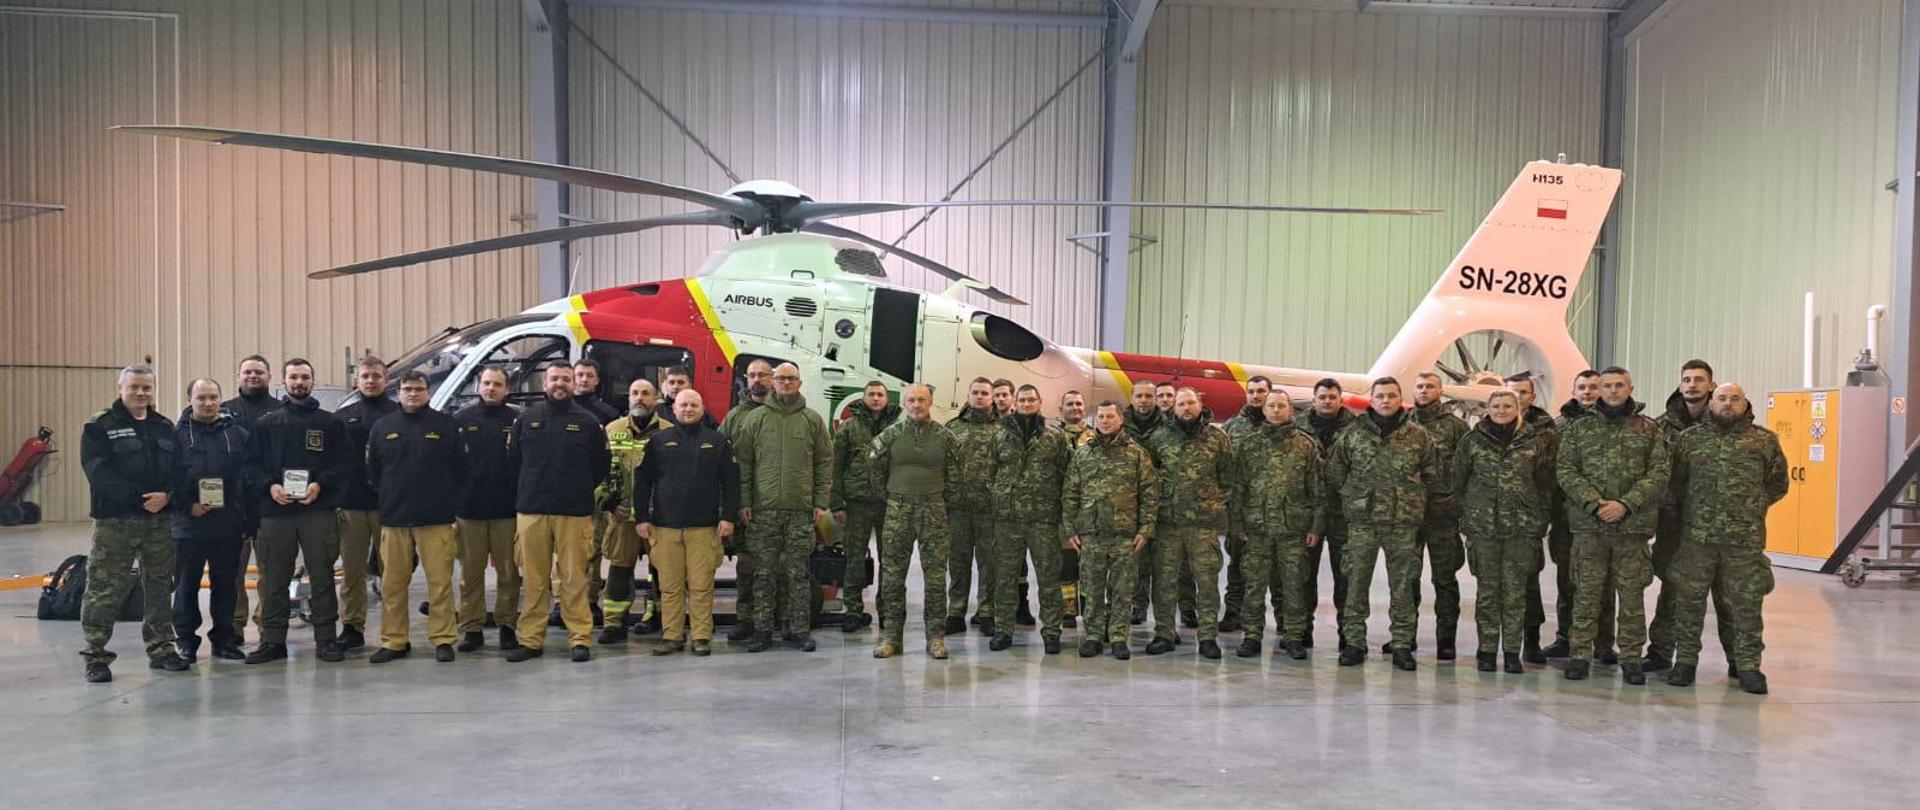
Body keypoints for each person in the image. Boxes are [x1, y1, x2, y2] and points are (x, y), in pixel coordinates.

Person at [1666, 383, 1788, 694]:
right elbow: (1675, 484)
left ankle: (1747, 666)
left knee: (1745, 605)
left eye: (1735, 399)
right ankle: (1686, 662)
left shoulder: (1763, 441)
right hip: (1697, 538)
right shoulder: (1689, 440)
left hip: (1743, 540)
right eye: (1722, 399)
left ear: (1745, 403)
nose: (1728, 404)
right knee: (1689, 603)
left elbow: (1777, 484)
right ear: (1711, 403)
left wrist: (1752, 506)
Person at [1556, 366, 1669, 684]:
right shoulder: (1579, 429)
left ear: (1630, 387)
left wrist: (1625, 504)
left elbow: (1659, 473)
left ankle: (1631, 657)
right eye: (1607, 386)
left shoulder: (1649, 429)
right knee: (1586, 595)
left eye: (1620, 385)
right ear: (1599, 389)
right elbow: (1565, 470)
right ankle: (1580, 655)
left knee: (1632, 597)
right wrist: (1596, 503)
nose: (1613, 391)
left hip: (1632, 529)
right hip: (1590, 527)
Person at [78, 365, 188, 682]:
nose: (141, 393)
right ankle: (96, 655)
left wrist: (168, 496)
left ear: (153, 390)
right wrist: (140, 500)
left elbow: (179, 470)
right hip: (116, 522)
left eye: (146, 388)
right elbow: (98, 473)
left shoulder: (164, 426)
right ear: (120, 388)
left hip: (160, 522)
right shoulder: (100, 426)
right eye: (134, 387)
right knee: (104, 588)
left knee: (158, 587)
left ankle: (162, 649)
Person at [1328, 377, 1443, 670]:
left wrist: (1412, 500)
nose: (1386, 401)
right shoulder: (1352, 434)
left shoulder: (1418, 435)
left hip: (1402, 523)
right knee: (1355, 583)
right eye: (1380, 396)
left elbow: (1432, 474)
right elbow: (1336, 472)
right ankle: (1354, 642)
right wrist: (1356, 497)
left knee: (1403, 586)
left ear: (1399, 398)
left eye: (1392, 395)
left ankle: (1403, 644)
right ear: (1372, 399)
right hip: (1362, 522)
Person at [246, 358, 351, 665]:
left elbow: (343, 465)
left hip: (317, 510)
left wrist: (320, 485)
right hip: (275, 513)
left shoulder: (330, 423)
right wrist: (270, 487)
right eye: (293, 377)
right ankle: (273, 640)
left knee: (321, 576)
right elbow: (250, 466)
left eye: (304, 377)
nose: (299, 382)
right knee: (274, 577)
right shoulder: (266, 424)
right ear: (284, 381)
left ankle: (326, 639)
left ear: (312, 381)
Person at [505, 364, 610, 663]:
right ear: (545, 382)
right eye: (555, 379)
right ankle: (531, 639)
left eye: (566, 379)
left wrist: (577, 490)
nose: (560, 384)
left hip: (573, 511)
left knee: (574, 578)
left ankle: (579, 638)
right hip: (532, 510)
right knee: (535, 579)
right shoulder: (526, 419)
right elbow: (514, 463)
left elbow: (600, 466)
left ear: (573, 384)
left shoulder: (588, 422)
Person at [364, 371, 469, 662]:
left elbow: (461, 471)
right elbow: (373, 472)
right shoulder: (383, 427)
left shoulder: (446, 426)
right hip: (395, 518)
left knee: (440, 582)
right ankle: (394, 641)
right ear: (398, 392)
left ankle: (444, 638)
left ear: (428, 392)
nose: (413, 394)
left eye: (419, 389)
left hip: (436, 519)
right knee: (393, 584)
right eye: (408, 389)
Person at [1452, 388, 1556, 674]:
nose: (1501, 410)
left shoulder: (1535, 442)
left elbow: (1547, 482)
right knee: (1487, 592)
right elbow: (1458, 481)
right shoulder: (1472, 441)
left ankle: (1511, 650)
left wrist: (1538, 516)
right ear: (1487, 408)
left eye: (1507, 405)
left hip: (1521, 530)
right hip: (1483, 529)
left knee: (1515, 593)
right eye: (1496, 405)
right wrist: (1471, 514)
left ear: (1518, 407)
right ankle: (1487, 649)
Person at [731, 362, 833, 653]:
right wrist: (745, 501)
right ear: (773, 383)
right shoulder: (756, 419)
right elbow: (745, 463)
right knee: (763, 573)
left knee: (798, 573)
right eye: (781, 379)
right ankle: (763, 630)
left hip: (801, 511)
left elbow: (825, 463)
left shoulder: (812, 420)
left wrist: (819, 502)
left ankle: (798, 629)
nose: (786, 383)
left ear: (800, 384)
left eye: (791, 379)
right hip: (763, 511)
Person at [634, 389, 740, 657]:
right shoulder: (658, 441)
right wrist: (642, 519)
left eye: (693, 405)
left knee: (701, 585)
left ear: (702, 409)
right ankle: (672, 635)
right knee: (670, 586)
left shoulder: (717, 442)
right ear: (674, 408)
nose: (688, 409)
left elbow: (730, 482)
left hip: (704, 527)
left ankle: (701, 636)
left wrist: (728, 516)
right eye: (683, 405)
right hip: (665, 527)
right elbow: (643, 481)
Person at [1647, 359, 1730, 672]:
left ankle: (1739, 660)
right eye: (1687, 379)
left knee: (1728, 597)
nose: (1692, 385)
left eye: (1699, 379)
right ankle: (1659, 653)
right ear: (1680, 385)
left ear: (1711, 385)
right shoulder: (1659, 427)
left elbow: (1769, 482)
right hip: (1674, 525)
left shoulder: (1727, 423)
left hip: (1718, 528)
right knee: (1670, 590)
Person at [1227, 393, 1324, 660]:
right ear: (1264, 410)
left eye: (1282, 405)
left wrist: (1315, 527)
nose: (1276, 410)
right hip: (1256, 530)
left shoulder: (1305, 445)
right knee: (1254, 586)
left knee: (1293, 586)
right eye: (1271, 406)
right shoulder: (1249, 445)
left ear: (1290, 410)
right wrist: (1237, 525)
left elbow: (1317, 490)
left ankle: (1292, 637)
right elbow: (1238, 489)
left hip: (1293, 530)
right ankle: (1252, 636)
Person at [870, 383, 960, 659]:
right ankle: (891, 637)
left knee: (935, 577)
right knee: (893, 576)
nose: (916, 405)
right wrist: (889, 496)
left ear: (930, 401)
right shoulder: (891, 435)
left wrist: (944, 501)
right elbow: (874, 468)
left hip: (933, 509)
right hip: (898, 509)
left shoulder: (945, 437)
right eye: (911, 400)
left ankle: (935, 638)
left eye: (921, 399)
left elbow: (956, 474)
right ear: (904, 403)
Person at [170, 378, 257, 664]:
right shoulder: (175, 437)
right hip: (188, 525)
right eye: (201, 398)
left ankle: (224, 640)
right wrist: (187, 505)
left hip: (227, 525)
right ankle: (185, 641)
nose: (208, 403)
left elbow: (246, 479)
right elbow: (167, 478)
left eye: (213, 397)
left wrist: (244, 517)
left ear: (221, 399)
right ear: (189, 400)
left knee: (226, 584)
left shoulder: (238, 435)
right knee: (186, 586)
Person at [1063, 401, 1158, 660]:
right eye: (1101, 416)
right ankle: (1093, 636)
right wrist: (1071, 528)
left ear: (1120, 420)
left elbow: (1149, 493)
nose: (1104, 421)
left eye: (1110, 416)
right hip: (1090, 534)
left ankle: (1118, 637)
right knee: (1092, 589)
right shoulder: (1083, 455)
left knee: (1122, 590)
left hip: (1125, 535)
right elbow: (1071, 493)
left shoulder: (1136, 454)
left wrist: (1146, 528)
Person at [1142, 388, 1232, 659]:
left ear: (1200, 404)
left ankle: (1207, 637)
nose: (1186, 408)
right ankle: (1164, 633)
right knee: (1164, 582)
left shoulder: (1217, 438)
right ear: (1173, 408)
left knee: (1206, 583)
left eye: (1191, 402)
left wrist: (1213, 504)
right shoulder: (1158, 439)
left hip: (1203, 527)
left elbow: (1228, 478)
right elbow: (1148, 479)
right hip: (1168, 525)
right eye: (1181, 403)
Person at [1532, 369, 1614, 662]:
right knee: (1568, 582)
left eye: (1594, 387)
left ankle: (1604, 643)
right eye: (1582, 387)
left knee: (1604, 583)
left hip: (1604, 518)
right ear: (1574, 390)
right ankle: (1565, 639)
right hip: (1567, 520)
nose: (1589, 392)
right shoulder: (1559, 428)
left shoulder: (1617, 425)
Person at [987, 384, 1073, 653]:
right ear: (1015, 402)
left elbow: (1066, 474)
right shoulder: (1000, 434)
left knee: (1048, 578)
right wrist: (1001, 499)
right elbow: (990, 472)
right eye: (1022, 400)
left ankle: (1051, 631)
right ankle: (1003, 630)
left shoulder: (1055, 436)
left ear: (1040, 401)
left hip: (1043, 519)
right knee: (1005, 578)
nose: (1026, 404)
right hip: (1008, 519)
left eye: (1031, 399)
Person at [453, 367, 522, 652]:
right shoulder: (461, 419)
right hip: (470, 511)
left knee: (509, 573)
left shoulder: (518, 419)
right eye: (486, 383)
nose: (491, 388)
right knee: (471, 574)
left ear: (507, 389)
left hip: (507, 510)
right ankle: (472, 628)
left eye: (497, 384)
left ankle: (507, 626)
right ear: (478, 386)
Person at [596, 378, 669, 644]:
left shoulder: (669, 432)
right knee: (619, 569)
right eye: (635, 393)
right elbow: (599, 472)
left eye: (646, 393)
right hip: (622, 517)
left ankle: (659, 618)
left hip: (658, 518)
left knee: (660, 569)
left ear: (656, 398)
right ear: (628, 398)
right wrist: (609, 505)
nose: (640, 398)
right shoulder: (612, 430)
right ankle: (614, 623)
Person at [333, 356, 396, 652]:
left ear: (386, 380)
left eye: (376, 376)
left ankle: (395, 629)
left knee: (393, 572)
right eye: (365, 376)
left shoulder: (399, 415)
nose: (371, 381)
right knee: (353, 570)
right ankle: (352, 627)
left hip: (390, 505)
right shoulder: (343, 417)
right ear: (357, 381)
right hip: (352, 505)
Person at [1408, 372, 1469, 659]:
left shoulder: (1456, 427)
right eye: (1419, 386)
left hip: (1443, 515)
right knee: (1407, 578)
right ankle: (1405, 636)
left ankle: (1446, 639)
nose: (1424, 391)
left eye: (1430, 386)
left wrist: (1456, 502)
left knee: (1444, 579)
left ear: (1440, 390)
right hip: (1408, 515)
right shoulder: (1403, 424)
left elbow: (1469, 469)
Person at [831, 380, 899, 632]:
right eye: (871, 394)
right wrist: (836, 503)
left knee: (890, 559)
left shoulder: (897, 427)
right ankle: (853, 609)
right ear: (863, 397)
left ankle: (887, 610)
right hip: (856, 503)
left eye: (880, 394)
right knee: (854, 558)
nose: (876, 398)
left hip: (889, 503)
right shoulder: (849, 427)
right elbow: (836, 467)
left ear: (887, 399)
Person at [222, 355, 280, 636]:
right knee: (233, 571)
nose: (253, 376)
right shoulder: (222, 412)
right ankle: (234, 626)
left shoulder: (282, 411)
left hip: (270, 504)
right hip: (233, 505)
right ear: (238, 376)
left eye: (259, 372)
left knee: (271, 572)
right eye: (248, 372)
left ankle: (268, 624)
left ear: (269, 377)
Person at [1296, 378, 1355, 650]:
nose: (1327, 401)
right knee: (1303, 574)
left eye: (1332, 396)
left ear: (1340, 399)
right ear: (1314, 398)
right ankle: (1302, 628)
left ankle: (1348, 631)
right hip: (1307, 513)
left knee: (1346, 575)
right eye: (1322, 396)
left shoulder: (1357, 428)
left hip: (1344, 513)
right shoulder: (1297, 427)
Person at [720, 358, 773, 642]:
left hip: (775, 504)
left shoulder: (782, 413)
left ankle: (777, 618)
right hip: (746, 506)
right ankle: (746, 619)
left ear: (772, 378)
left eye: (762, 375)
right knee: (747, 566)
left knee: (778, 566)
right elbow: (721, 458)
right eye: (752, 375)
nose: (757, 380)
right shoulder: (735, 417)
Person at [1218, 375, 1274, 635]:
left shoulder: (1281, 424)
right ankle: (1234, 612)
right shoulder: (1232, 427)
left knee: (1276, 567)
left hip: (1274, 510)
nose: (1256, 395)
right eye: (1251, 391)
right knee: (1237, 563)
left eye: (1261, 391)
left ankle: (1283, 618)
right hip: (1240, 509)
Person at [944, 377, 1000, 635]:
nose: (979, 397)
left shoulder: (1004, 430)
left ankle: (987, 612)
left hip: (990, 510)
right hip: (958, 508)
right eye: (975, 392)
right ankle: (956, 611)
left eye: (984, 393)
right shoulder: (952, 428)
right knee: (958, 562)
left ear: (992, 397)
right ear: (968, 395)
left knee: (989, 564)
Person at [571, 358, 620, 425]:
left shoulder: (610, 413)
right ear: (573, 378)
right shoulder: (560, 407)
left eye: (590, 376)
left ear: (597, 381)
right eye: (580, 375)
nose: (584, 379)